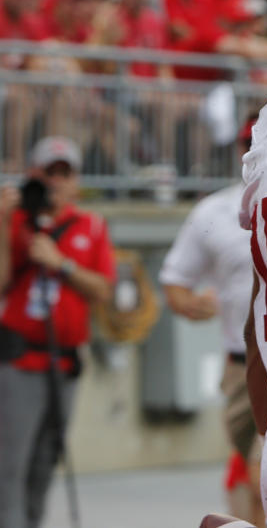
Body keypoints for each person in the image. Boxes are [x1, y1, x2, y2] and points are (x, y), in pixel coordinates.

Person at [0, 136, 115, 528]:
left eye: (65, 173)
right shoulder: (16, 221)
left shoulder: (91, 226)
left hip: (64, 365)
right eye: (50, 172)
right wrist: (2, 222)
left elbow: (102, 290)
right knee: (10, 466)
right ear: (35, 175)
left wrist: (61, 263)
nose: (57, 181)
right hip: (20, 361)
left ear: (75, 180)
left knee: (46, 462)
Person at [158, 118, 263, 527]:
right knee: (249, 470)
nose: (254, 151)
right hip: (238, 366)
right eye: (248, 144)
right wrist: (189, 305)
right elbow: (175, 280)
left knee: (265, 475)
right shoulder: (216, 210)